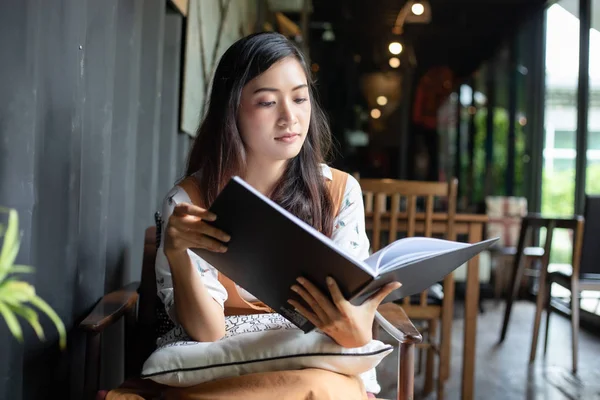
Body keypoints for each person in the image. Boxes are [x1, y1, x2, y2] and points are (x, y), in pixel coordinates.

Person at [154, 31, 401, 398]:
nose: (290, 117)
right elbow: (208, 333)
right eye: (268, 102)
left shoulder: (339, 193)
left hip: (316, 365)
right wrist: (178, 256)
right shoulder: (190, 202)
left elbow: (354, 328)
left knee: (323, 389)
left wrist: (354, 322)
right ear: (231, 109)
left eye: (300, 98)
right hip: (224, 372)